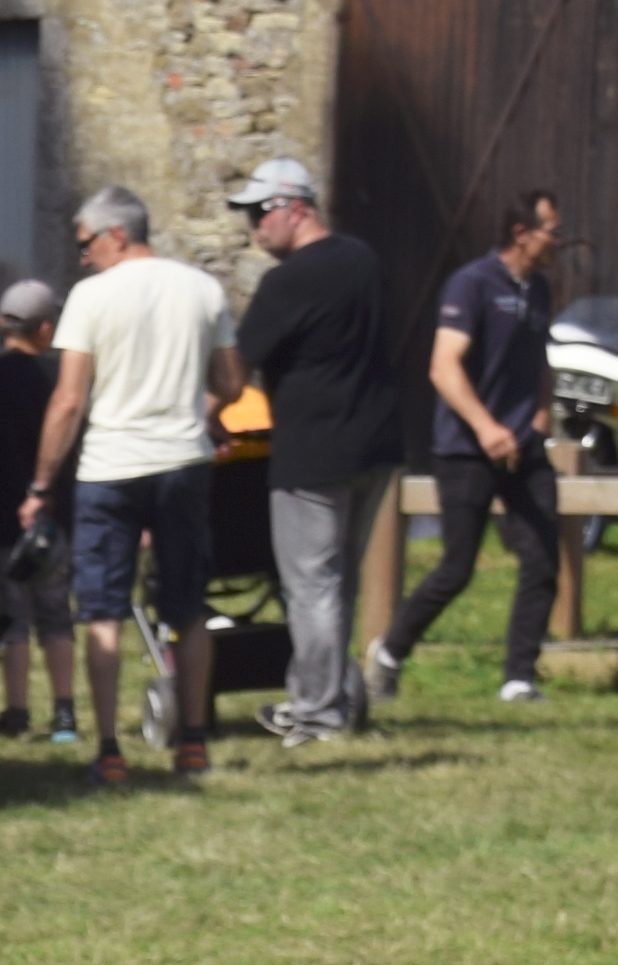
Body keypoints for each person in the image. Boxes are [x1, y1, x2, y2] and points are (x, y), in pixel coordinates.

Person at [27, 185, 241, 788]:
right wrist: (198, 407)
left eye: (85, 243)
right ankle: (193, 742)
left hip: (110, 467)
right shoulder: (202, 288)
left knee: (101, 612)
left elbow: (69, 400)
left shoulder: (91, 298)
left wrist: (41, 482)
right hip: (182, 461)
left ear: (116, 235)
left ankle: (109, 748)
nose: (82, 257)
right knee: (189, 606)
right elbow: (230, 377)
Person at [229, 161, 405, 744]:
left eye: (259, 214)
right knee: (340, 585)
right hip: (375, 445)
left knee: (311, 586)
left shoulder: (288, 282)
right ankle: (341, 698)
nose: (253, 229)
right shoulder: (365, 261)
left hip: (313, 450)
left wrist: (205, 419)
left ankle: (317, 713)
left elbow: (236, 366)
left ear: (294, 207)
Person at [372, 192, 563, 707]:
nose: (558, 241)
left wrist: (541, 413)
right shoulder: (473, 284)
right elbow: (444, 366)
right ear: (521, 233)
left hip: (524, 446)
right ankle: (389, 652)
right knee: (457, 567)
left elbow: (541, 357)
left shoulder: (541, 288)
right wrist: (486, 428)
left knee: (542, 558)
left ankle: (519, 677)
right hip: (466, 448)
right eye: (551, 231)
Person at [0, 277, 76, 740]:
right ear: (45, 329)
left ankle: (17, 711)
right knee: (57, 613)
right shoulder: (63, 378)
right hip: (56, 514)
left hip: (2, 514)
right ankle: (65, 713)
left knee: (11, 617)